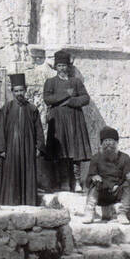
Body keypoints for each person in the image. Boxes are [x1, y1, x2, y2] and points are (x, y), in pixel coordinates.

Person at [42, 51, 91, 192]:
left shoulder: (75, 82)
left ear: (68, 67)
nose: (62, 68)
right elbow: (48, 99)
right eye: (59, 65)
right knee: (62, 151)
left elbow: (85, 98)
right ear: (56, 67)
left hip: (75, 120)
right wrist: (66, 94)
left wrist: (70, 101)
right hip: (58, 122)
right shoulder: (50, 82)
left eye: (64, 65)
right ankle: (64, 181)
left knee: (76, 152)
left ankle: (76, 181)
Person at [0, 73, 43, 206]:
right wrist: (1, 148)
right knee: (11, 176)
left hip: (28, 148)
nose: (19, 93)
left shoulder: (32, 109)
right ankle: (10, 204)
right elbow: (0, 129)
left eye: (21, 90)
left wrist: (38, 147)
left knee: (28, 174)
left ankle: (28, 203)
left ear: (25, 90)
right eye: (16, 91)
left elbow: (39, 130)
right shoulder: (7, 108)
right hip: (11, 149)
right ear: (12, 92)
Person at [84, 127, 130, 223]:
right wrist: (94, 177)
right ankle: (89, 212)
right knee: (94, 183)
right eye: (106, 141)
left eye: (111, 140)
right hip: (102, 192)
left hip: (118, 192)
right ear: (101, 143)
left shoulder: (125, 157)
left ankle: (122, 213)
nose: (109, 143)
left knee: (129, 183)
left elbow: (128, 176)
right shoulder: (95, 158)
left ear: (116, 143)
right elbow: (87, 180)